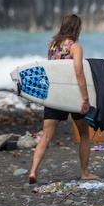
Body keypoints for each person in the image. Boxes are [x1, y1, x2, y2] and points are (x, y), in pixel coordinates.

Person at [28, 14, 96, 184]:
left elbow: (51, 70)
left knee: (46, 137)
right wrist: (85, 97)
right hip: (71, 96)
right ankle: (84, 172)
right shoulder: (75, 47)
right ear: (77, 28)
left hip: (54, 95)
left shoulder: (52, 46)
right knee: (84, 134)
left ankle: (33, 171)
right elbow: (79, 72)